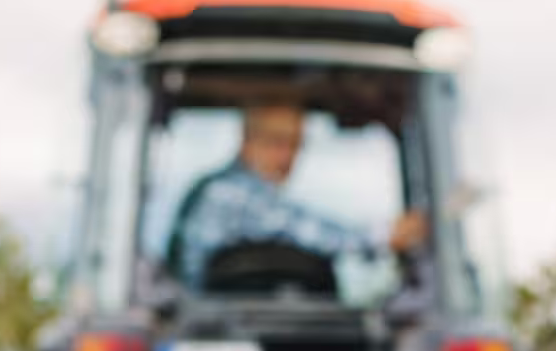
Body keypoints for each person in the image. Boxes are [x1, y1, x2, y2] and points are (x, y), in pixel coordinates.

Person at [167, 103, 428, 290]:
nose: (287, 156)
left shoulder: (237, 191)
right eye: (276, 142)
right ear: (247, 140)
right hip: (205, 326)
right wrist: (384, 235)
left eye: (296, 144)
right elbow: (306, 230)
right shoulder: (226, 192)